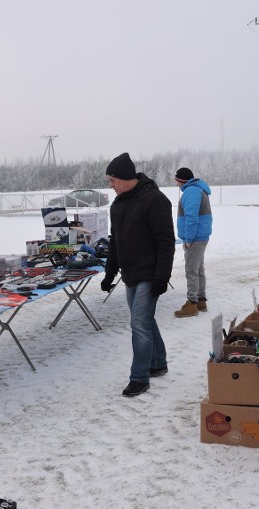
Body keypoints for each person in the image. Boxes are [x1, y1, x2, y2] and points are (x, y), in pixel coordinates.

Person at [101, 152, 175, 397]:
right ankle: (158, 362)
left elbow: (166, 242)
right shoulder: (118, 204)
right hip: (130, 274)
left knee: (139, 324)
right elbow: (115, 242)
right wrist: (110, 272)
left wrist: (161, 277)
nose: (110, 185)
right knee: (145, 321)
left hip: (149, 274)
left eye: (112, 180)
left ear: (124, 177)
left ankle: (139, 377)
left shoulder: (154, 200)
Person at [173, 167, 212, 318]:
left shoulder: (191, 192)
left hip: (195, 238)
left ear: (181, 180)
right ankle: (201, 300)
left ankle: (192, 303)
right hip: (200, 236)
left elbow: (191, 217)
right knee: (198, 269)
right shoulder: (196, 190)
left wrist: (188, 239)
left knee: (191, 270)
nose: (176, 184)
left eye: (176, 180)